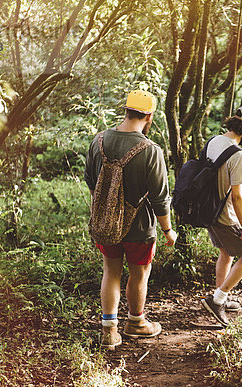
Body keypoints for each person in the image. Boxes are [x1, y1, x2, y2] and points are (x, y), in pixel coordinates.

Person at [84, 89, 177, 349]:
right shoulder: (150, 150)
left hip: (106, 225)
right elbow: (160, 198)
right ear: (149, 116)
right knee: (139, 274)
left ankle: (109, 331)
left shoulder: (99, 140)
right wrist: (168, 230)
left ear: (125, 110)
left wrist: (105, 211)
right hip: (140, 227)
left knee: (111, 270)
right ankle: (136, 323)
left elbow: (91, 182)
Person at [201, 106, 242, 327]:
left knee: (226, 253)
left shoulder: (213, 141)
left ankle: (221, 298)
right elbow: (237, 197)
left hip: (206, 209)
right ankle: (217, 300)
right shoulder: (238, 154)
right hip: (224, 215)